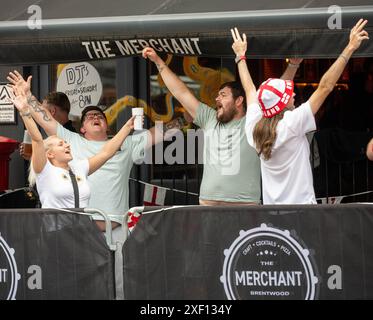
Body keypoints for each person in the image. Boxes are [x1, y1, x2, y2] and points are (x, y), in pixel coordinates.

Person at [230, 19, 369, 204]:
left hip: (273, 210)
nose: (294, 93)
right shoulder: (292, 124)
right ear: (281, 104)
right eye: (289, 93)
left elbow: (249, 90)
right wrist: (350, 48)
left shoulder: (255, 127)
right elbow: (325, 87)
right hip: (302, 211)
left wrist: (241, 56)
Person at [142, 47, 301, 205]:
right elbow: (181, 92)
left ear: (238, 101)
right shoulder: (209, 118)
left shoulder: (253, 121)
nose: (217, 99)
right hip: (208, 205)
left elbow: (275, 94)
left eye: (223, 95)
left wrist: (292, 66)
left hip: (244, 206)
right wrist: (159, 62)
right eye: (218, 95)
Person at [10, 87, 136, 209]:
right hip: (57, 230)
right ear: (50, 154)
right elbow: (37, 139)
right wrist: (25, 111)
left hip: (81, 229)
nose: (67, 145)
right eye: (61, 144)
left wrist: (127, 127)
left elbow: (106, 152)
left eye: (65, 143)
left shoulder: (79, 168)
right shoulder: (44, 170)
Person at [19, 91, 76, 160]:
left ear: (52, 111)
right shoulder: (68, 133)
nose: (40, 114)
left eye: (43, 110)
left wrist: (35, 156)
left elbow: (58, 163)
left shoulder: (67, 136)